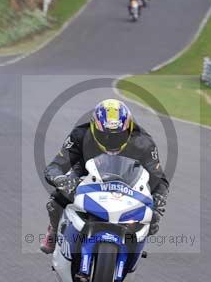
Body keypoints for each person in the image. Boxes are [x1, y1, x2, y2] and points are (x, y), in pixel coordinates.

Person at [40, 98, 169, 254]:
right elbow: (55, 166)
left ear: (128, 129)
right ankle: (53, 231)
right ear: (94, 128)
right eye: (104, 135)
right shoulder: (80, 135)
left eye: (118, 135)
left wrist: (159, 201)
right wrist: (61, 180)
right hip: (86, 177)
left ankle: (134, 247)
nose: (111, 140)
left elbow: (159, 178)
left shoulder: (143, 142)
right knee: (56, 202)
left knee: (152, 220)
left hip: (128, 182)